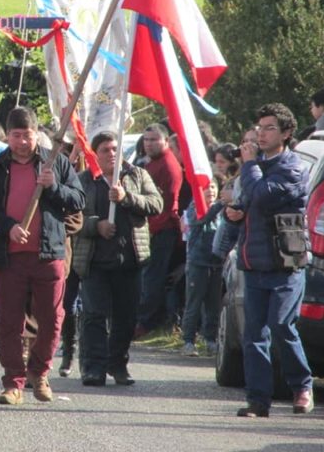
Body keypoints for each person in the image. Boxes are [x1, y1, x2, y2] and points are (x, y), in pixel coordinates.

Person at [0, 106, 85, 405]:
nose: (22, 141)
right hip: (9, 257)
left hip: (49, 255)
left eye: (27, 135)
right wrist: (7, 228)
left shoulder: (55, 164)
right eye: (16, 135)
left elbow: (78, 200)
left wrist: (53, 187)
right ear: (7, 136)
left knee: (52, 319)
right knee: (9, 322)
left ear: (38, 135)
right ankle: (13, 382)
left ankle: (40, 373)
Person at [227, 103, 314, 417]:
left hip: (285, 262)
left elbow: (263, 195)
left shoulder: (292, 167)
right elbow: (247, 202)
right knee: (254, 334)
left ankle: (302, 385)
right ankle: (258, 400)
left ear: (287, 133)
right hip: (253, 261)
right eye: (260, 127)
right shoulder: (255, 166)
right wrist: (233, 213)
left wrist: (249, 165)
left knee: (281, 325)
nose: (261, 134)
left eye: (269, 128)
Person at [73, 131, 162, 387]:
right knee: (94, 315)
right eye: (105, 150)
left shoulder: (137, 175)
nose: (111, 154)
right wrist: (96, 226)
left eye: (115, 149)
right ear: (95, 154)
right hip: (95, 261)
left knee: (126, 317)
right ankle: (93, 367)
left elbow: (156, 203)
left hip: (129, 260)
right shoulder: (84, 180)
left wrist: (127, 198)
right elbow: (72, 217)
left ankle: (118, 364)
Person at [135, 123, 183, 338]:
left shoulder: (167, 165)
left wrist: (151, 229)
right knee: (148, 277)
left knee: (152, 277)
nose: (149, 144)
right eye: (146, 140)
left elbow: (166, 204)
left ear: (165, 142)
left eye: (154, 140)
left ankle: (146, 323)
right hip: (152, 228)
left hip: (161, 230)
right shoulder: (153, 163)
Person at [181, 177, 224, 357]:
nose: (211, 192)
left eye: (213, 187)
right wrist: (219, 205)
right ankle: (189, 341)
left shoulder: (222, 210)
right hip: (198, 262)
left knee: (213, 304)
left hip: (216, 263)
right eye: (206, 188)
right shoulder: (195, 208)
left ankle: (210, 339)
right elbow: (200, 220)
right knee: (194, 302)